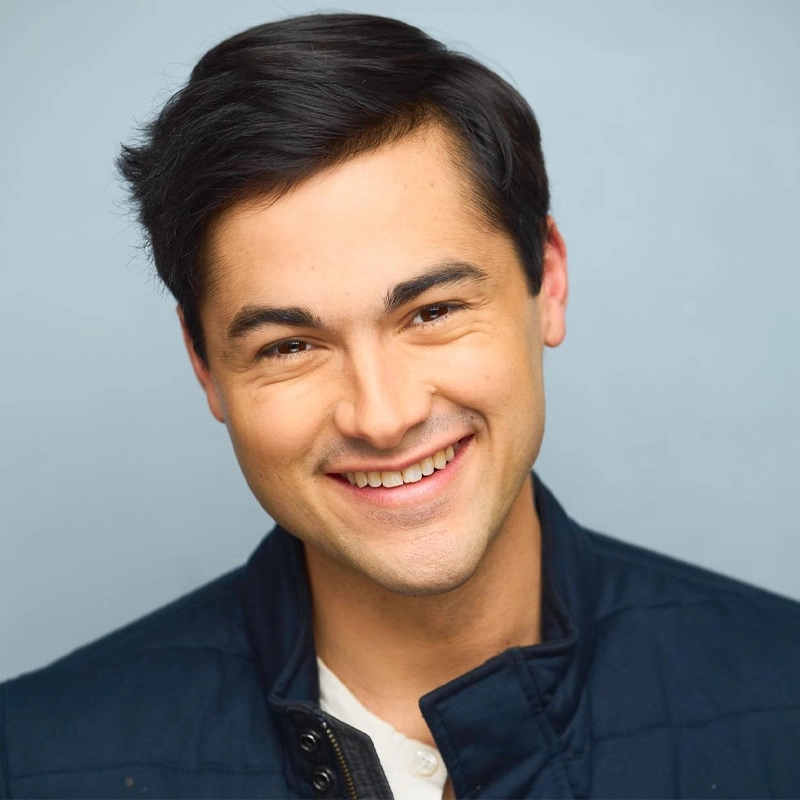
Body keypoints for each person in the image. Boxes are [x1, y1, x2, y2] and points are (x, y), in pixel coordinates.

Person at [1, 11, 799, 800]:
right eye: (289, 346)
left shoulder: (783, 701)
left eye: (432, 312)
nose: (381, 417)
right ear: (203, 364)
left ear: (546, 281)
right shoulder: (37, 763)